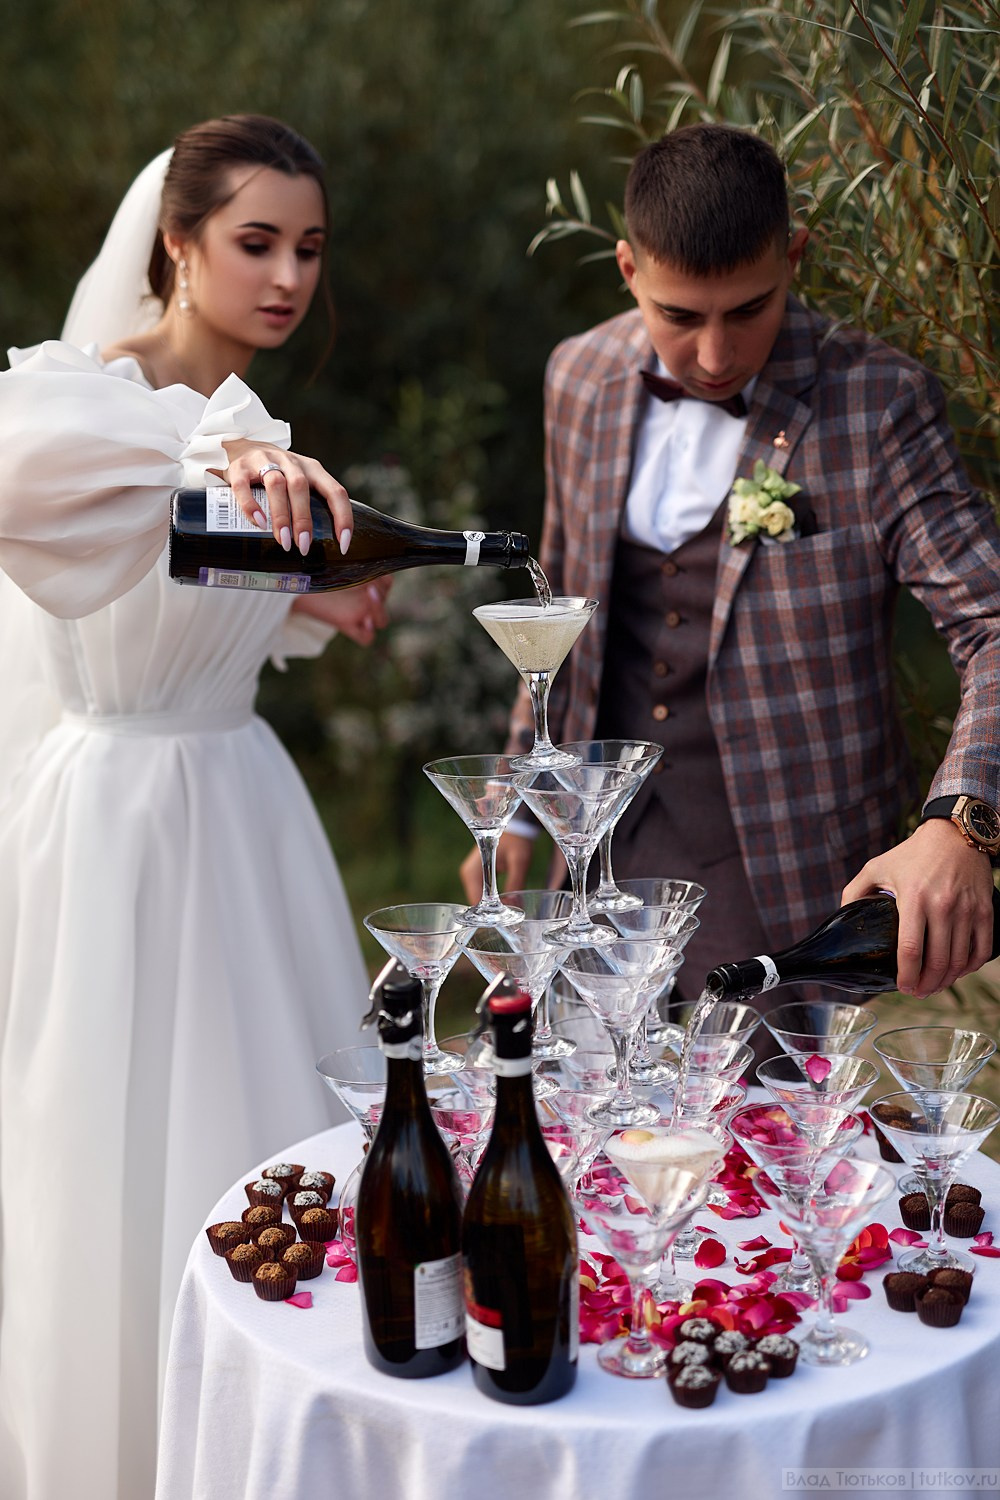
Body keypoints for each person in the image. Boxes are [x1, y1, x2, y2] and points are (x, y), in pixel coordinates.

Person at [0, 116, 389, 1500]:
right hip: (114, 820)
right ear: (176, 242)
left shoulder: (256, 434)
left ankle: (277, 1446)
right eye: (255, 242)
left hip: (244, 815)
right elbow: (29, 483)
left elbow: (192, 590)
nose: (287, 277)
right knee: (104, 1152)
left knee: (267, 1124)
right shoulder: (79, 393)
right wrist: (203, 461)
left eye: (310, 249)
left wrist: (308, 601)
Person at [462, 122, 1000, 1006]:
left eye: (748, 310)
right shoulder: (578, 378)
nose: (714, 356)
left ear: (795, 257)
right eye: (680, 316)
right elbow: (555, 610)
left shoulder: (878, 402)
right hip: (600, 856)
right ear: (629, 270)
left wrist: (959, 824)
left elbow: (990, 624)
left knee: (772, 1096)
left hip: (795, 873)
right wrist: (519, 803)